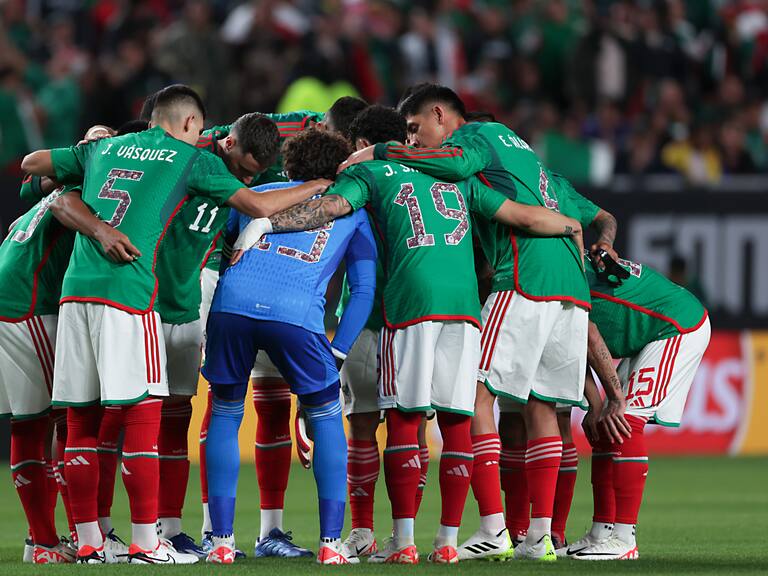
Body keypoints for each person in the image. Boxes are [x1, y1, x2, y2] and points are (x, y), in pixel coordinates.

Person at [234, 105, 585, 564]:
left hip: (407, 304)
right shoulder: (457, 179)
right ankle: (447, 543)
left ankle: (401, 542)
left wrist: (267, 221)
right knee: (456, 421)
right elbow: (521, 215)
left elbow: (329, 208)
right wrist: (571, 225)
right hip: (464, 308)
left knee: (402, 417)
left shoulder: (371, 172)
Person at [20, 83, 321, 565]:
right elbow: (261, 205)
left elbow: (33, 168)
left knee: (83, 419)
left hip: (82, 292)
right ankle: (145, 541)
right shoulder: (193, 159)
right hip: (136, 292)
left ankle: (95, 540)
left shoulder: (107, 148)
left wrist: (90, 153)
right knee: (141, 415)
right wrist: (322, 184)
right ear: (193, 125)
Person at [339, 84, 599, 561]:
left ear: (441, 115)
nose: (413, 140)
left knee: (471, 400)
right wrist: (574, 228)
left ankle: (492, 528)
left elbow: (457, 165)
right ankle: (539, 536)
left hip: (522, 276)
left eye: (415, 128)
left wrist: (380, 151)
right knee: (543, 407)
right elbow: (572, 214)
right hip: (567, 283)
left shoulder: (473, 137)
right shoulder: (521, 151)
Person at [195, 96, 367, 557]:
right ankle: (331, 544)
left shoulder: (256, 198)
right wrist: (338, 351)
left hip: (231, 308)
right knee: (326, 416)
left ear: (288, 164)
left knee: (226, 413)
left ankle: (220, 542)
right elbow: (364, 288)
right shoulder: (352, 207)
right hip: (295, 316)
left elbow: (225, 249)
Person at [0, 125, 129, 563]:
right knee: (66, 417)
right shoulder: (81, 193)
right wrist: (103, 231)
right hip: (29, 302)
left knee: (31, 422)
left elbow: (29, 191)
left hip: (15, 299)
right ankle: (65, 537)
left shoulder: (54, 188)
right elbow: (54, 197)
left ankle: (43, 539)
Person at [566, 255, 710, 561]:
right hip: (648, 333)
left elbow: (589, 338)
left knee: (626, 419)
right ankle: (601, 532)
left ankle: (624, 538)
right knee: (608, 424)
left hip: (676, 324)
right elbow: (573, 344)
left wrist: (611, 400)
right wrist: (596, 405)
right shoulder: (563, 262)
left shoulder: (557, 276)